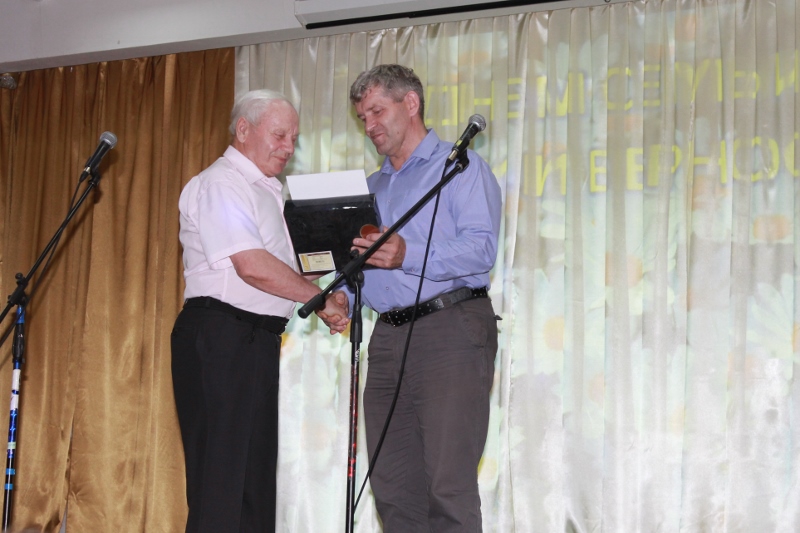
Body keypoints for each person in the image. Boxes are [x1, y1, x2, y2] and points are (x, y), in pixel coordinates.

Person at [170, 89, 349, 533]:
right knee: (221, 487)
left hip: (253, 342)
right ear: (243, 129)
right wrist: (319, 300)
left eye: (294, 138)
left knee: (252, 490)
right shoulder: (222, 183)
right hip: (221, 337)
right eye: (280, 135)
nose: (289, 147)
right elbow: (251, 266)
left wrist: (332, 279)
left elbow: (284, 271)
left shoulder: (267, 191)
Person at [343, 64, 502, 532]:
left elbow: (481, 248)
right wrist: (342, 300)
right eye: (362, 117)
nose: (369, 125)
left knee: (447, 487)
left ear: (410, 103)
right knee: (393, 490)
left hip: (450, 330)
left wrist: (408, 254)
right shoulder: (371, 188)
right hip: (387, 340)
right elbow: (360, 266)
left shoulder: (460, 168)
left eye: (377, 111)